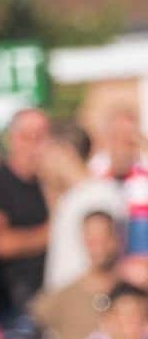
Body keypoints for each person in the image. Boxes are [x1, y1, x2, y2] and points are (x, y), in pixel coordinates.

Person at [32, 210, 124, 339]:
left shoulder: (134, 293)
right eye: (92, 239)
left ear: (117, 239)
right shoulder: (63, 296)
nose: (99, 246)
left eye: (104, 237)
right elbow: (29, 328)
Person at [0, 109, 51, 325]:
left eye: (42, 136)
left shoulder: (49, 181)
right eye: (28, 136)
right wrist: (50, 234)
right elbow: (1, 244)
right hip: (16, 300)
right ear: (12, 140)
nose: (36, 145)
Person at [40, 122, 125, 291]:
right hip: (66, 301)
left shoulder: (101, 194)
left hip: (87, 300)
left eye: (46, 153)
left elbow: (104, 255)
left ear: (65, 151)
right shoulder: (70, 197)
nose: (42, 162)